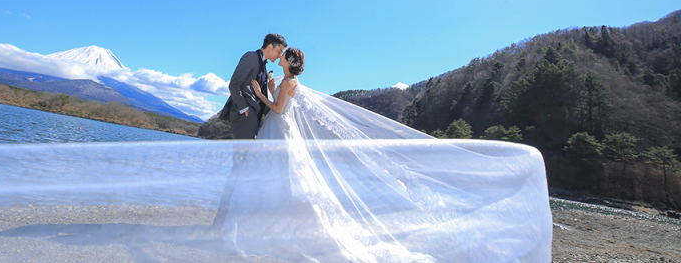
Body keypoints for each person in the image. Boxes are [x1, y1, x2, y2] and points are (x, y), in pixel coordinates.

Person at [218, 46, 554, 262]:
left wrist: (262, 94)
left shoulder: (290, 85)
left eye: (284, 57)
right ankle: (266, 222)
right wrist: (271, 86)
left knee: (284, 178)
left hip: (279, 128)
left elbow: (277, 109)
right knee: (280, 178)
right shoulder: (288, 81)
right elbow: (281, 101)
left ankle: (270, 225)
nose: (282, 60)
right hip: (278, 132)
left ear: (289, 63)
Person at [217, 33, 286, 139]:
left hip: (254, 116)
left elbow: (260, 93)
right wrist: (245, 109)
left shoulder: (263, 64)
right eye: (279, 51)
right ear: (270, 47)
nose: (280, 56)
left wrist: (273, 114)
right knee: (243, 153)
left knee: (247, 154)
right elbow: (234, 84)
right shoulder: (251, 57)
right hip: (245, 116)